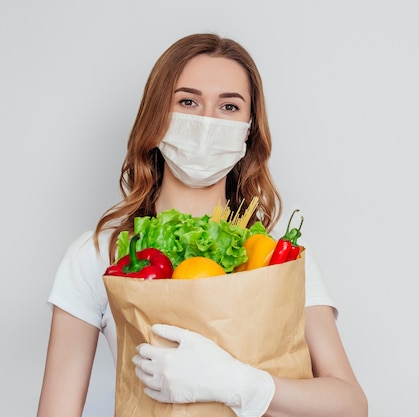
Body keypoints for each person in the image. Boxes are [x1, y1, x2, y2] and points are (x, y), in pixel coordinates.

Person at [37, 33, 367, 417]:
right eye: (188, 101)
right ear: (157, 117)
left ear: (248, 129)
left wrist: (240, 385)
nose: (207, 121)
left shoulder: (280, 256)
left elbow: (350, 405)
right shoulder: (99, 253)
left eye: (229, 106)